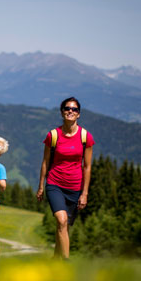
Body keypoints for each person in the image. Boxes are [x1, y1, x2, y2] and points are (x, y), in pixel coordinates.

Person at [36, 97, 94, 260]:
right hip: (55, 184)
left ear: (79, 114)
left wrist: (85, 193)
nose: (70, 111)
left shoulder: (85, 137)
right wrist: (41, 186)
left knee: (64, 226)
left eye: (74, 109)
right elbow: (45, 162)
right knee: (61, 221)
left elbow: (87, 166)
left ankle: (56, 259)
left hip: (75, 187)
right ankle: (66, 262)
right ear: (62, 112)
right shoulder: (53, 135)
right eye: (67, 108)